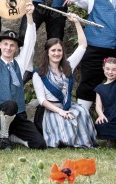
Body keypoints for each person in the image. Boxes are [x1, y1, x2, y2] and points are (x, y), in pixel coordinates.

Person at [0, 2, 46, 150]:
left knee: (40, 144)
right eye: (5, 44)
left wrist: (29, 17)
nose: (8, 48)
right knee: (10, 104)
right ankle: (4, 138)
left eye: (12, 45)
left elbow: (30, 42)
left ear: (17, 48)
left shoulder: (20, 63)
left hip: (19, 115)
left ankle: (12, 137)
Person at [32, 15, 97, 148]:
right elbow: (42, 100)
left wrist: (77, 22)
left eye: (59, 50)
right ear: (47, 52)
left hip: (67, 106)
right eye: (53, 50)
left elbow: (83, 45)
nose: (56, 53)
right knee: (63, 123)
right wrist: (60, 111)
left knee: (81, 112)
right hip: (50, 110)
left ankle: (81, 140)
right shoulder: (39, 73)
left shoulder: (68, 65)